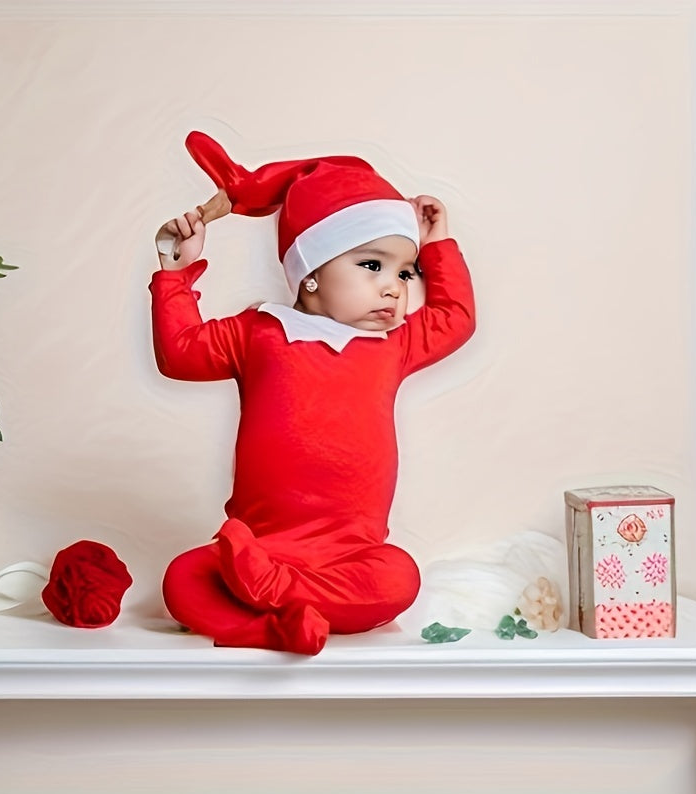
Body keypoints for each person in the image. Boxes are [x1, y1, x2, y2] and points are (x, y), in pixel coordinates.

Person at [151, 132, 476, 655]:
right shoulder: (258, 332)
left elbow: (456, 318)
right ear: (311, 275)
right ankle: (279, 627)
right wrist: (175, 273)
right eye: (372, 265)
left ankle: (278, 599)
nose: (394, 286)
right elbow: (181, 354)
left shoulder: (395, 343)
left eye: (405, 271)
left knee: (400, 579)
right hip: (259, 547)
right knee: (184, 581)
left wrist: (437, 243)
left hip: (351, 554)